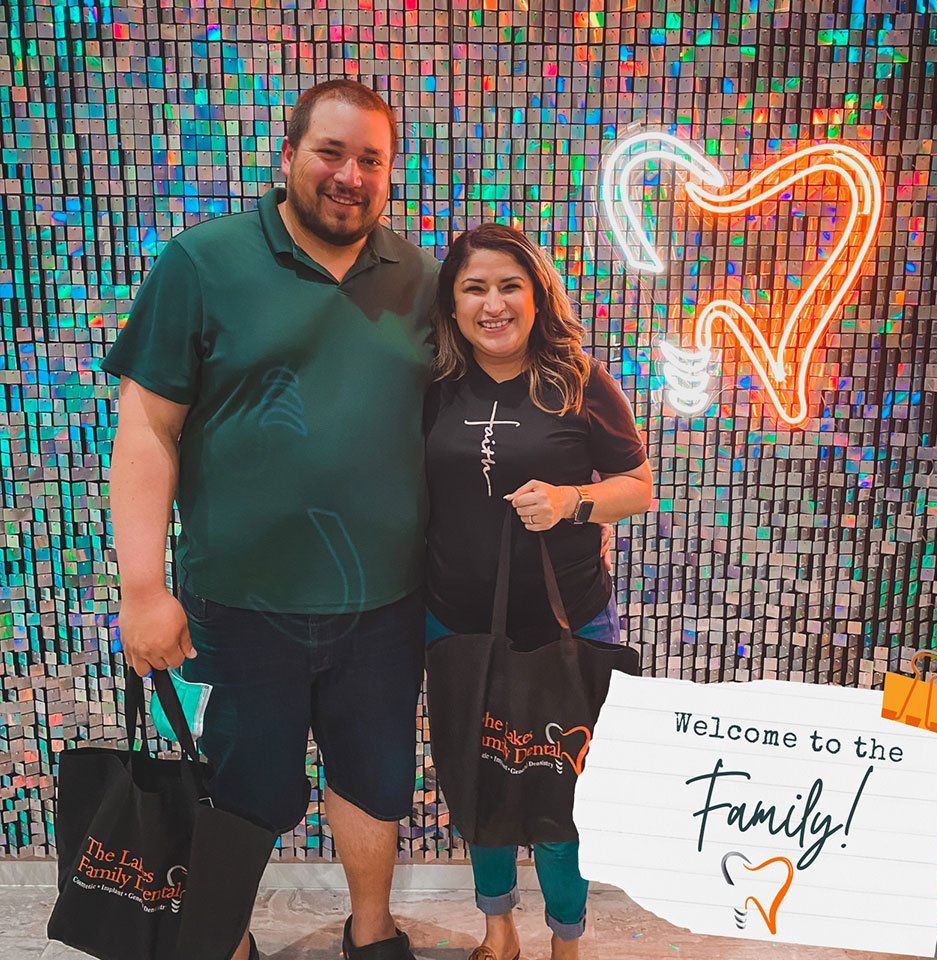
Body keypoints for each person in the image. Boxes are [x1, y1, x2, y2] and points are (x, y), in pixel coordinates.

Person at [103, 80, 438, 960]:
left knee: (373, 786)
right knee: (240, 793)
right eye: (331, 152)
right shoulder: (202, 263)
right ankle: (226, 939)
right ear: (288, 155)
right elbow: (146, 428)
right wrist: (143, 587)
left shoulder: (421, 279)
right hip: (239, 606)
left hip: (384, 606)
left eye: (371, 158)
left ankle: (373, 931)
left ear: (389, 173)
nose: (349, 175)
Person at [423, 224, 654, 960]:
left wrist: (570, 502)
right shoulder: (430, 389)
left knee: (563, 799)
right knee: (481, 780)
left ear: (535, 295)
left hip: (571, 623)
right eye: (475, 288)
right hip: (454, 623)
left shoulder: (580, 381)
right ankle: (499, 931)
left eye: (509, 285)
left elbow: (639, 490)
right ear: (452, 305)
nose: (494, 304)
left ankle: (567, 940)